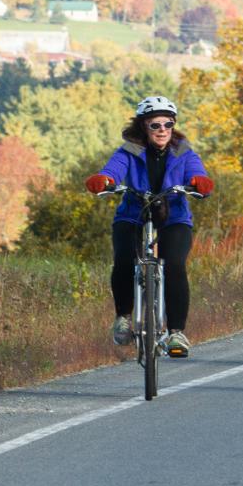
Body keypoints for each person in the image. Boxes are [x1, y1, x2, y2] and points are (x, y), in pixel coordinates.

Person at [85, 95, 213, 358]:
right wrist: (105, 180)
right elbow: (114, 169)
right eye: (155, 125)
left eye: (168, 124)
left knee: (175, 264)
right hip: (134, 213)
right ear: (144, 126)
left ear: (173, 125)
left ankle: (176, 332)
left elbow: (196, 171)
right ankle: (123, 317)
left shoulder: (183, 150)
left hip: (174, 216)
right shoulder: (129, 151)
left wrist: (200, 181)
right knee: (123, 260)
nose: (162, 130)